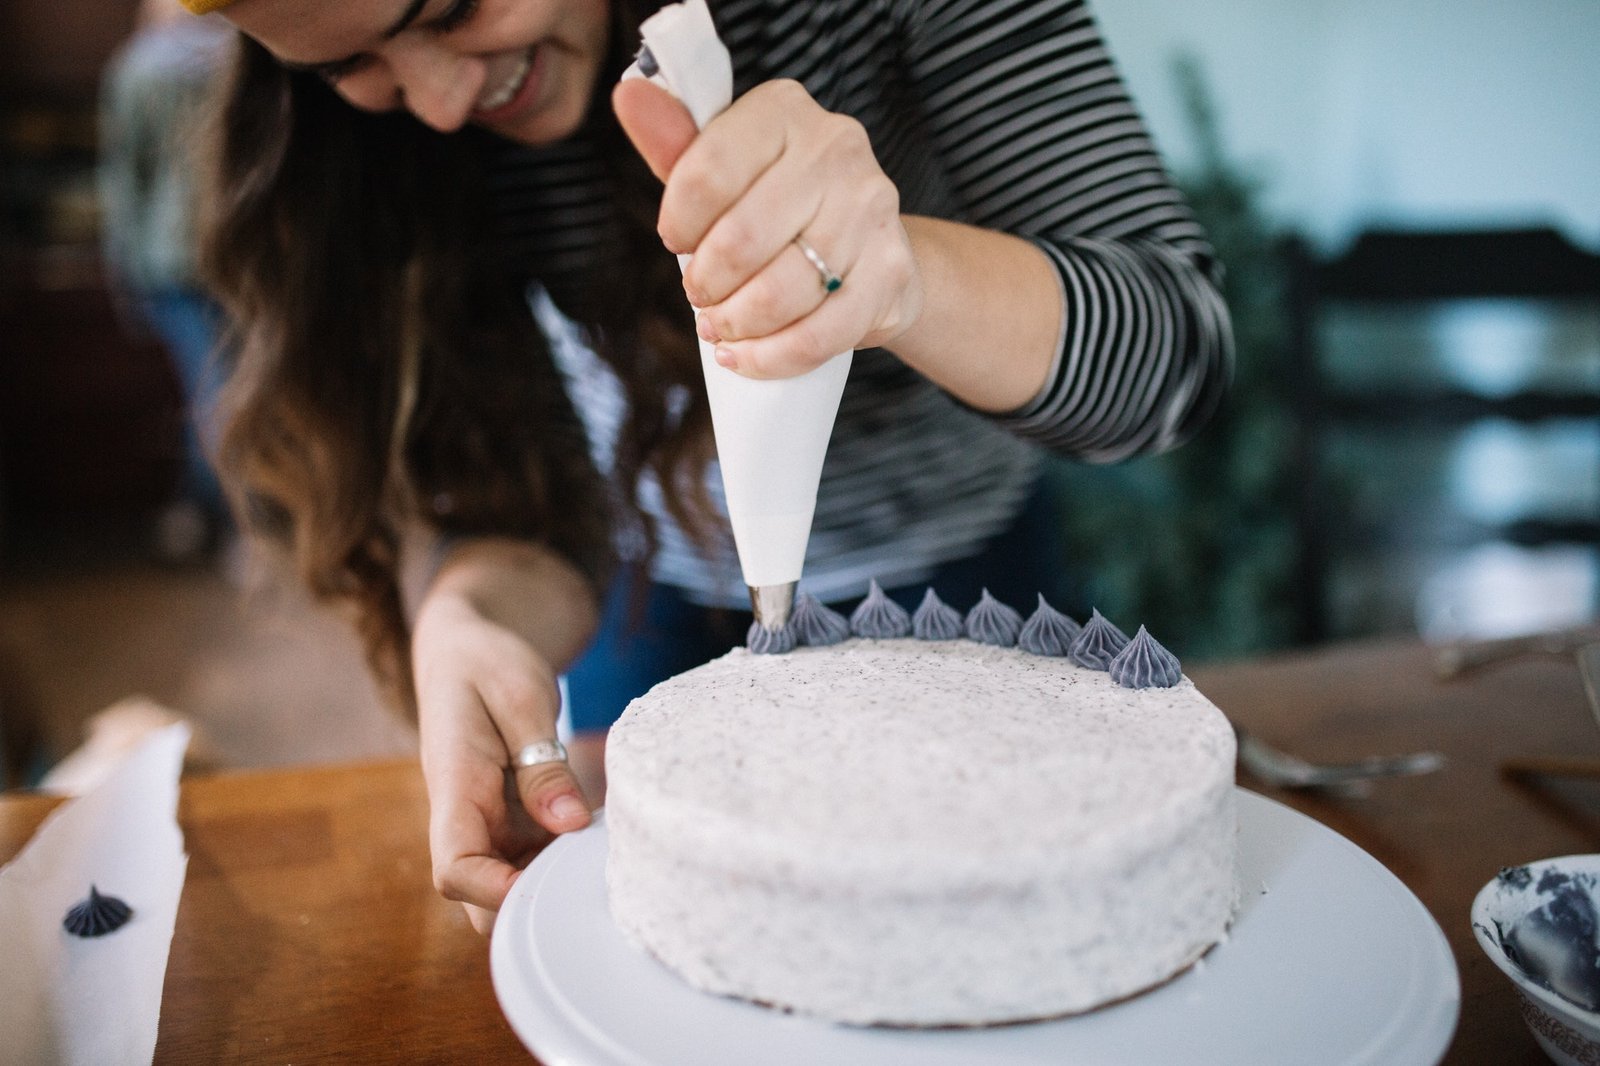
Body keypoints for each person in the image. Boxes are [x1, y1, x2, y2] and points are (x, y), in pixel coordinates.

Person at [193, 0, 1232, 931]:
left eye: (456, 9)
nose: (439, 101)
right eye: (351, 65)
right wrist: (471, 616)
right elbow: (522, 493)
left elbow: (1176, 358)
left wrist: (901, 277)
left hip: (956, 579)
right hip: (643, 601)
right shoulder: (382, 151)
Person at [99, 0, 235, 556]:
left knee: (214, 394)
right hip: (238, 251)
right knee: (222, 389)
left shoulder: (136, 70)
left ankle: (232, 524)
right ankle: (201, 509)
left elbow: (124, 178)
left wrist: (122, 267)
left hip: (169, 257)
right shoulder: (239, 59)